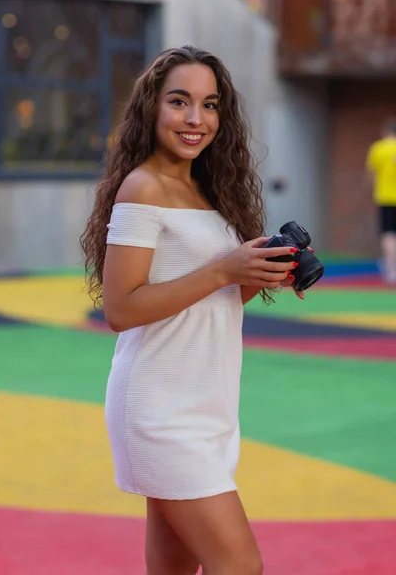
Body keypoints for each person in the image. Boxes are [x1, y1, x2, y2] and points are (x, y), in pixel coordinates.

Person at [81, 46, 303, 575]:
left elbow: (210, 301)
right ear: (152, 107)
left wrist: (255, 274)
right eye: (180, 102)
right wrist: (225, 270)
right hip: (160, 403)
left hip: (207, 399)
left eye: (210, 104)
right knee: (240, 566)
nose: (195, 119)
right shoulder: (143, 186)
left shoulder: (208, 190)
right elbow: (120, 307)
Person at [366, 117, 396, 284]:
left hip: (385, 197)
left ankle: (391, 271)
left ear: (386, 132)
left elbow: (371, 173)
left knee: (389, 234)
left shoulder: (378, 148)